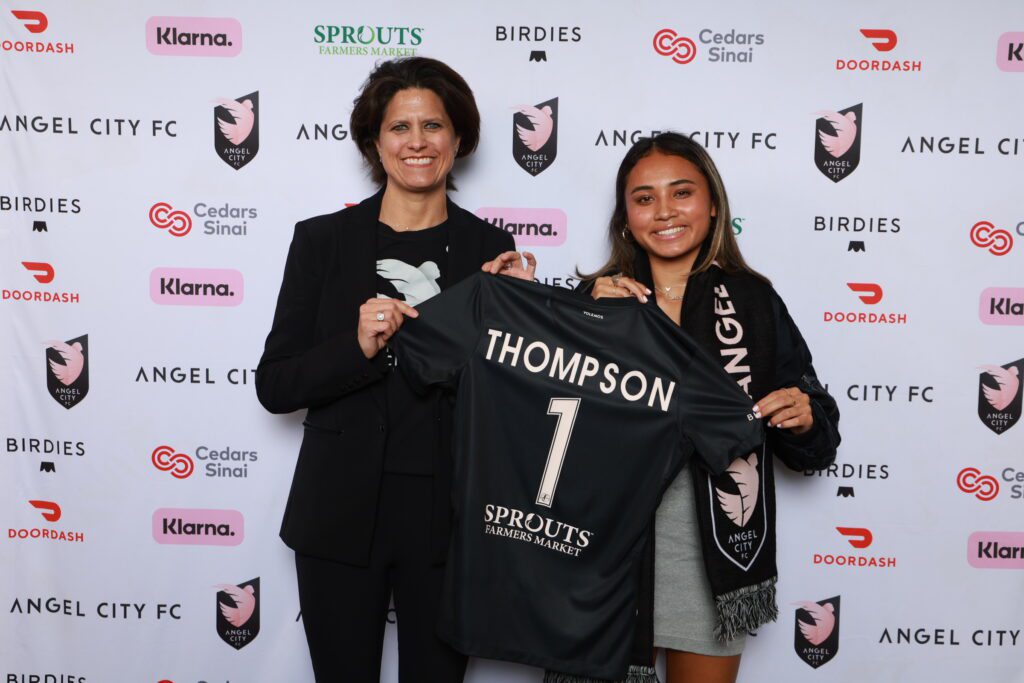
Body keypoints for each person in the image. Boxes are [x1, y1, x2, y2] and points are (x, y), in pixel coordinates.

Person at [255, 57, 533, 683]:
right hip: (337, 512)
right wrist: (354, 345)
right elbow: (275, 385)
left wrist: (523, 321)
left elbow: (514, 401)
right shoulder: (321, 241)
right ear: (374, 142)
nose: (417, 143)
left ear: (458, 139)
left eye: (433, 126)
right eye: (399, 127)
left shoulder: (493, 252)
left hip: (450, 520)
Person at [579, 132, 840, 683]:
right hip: (605, 555)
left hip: (713, 558)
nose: (665, 211)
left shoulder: (754, 300)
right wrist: (583, 323)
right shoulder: (593, 302)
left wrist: (805, 415)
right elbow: (539, 425)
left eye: (682, 193)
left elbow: (818, 437)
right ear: (625, 217)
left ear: (713, 204)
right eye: (644, 198)